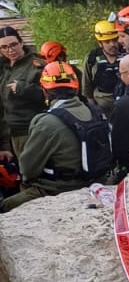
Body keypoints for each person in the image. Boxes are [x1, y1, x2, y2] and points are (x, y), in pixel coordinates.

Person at [0, 61, 112, 211]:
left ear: (45, 91)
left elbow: (27, 170)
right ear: (76, 87)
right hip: (97, 182)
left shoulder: (46, 122)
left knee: (5, 206)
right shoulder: (97, 113)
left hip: (57, 189)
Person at [0, 26, 45, 167]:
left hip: (29, 131)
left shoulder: (37, 66)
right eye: (4, 47)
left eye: (13, 45)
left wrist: (23, 88)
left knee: (30, 172)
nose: (10, 50)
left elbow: (49, 96)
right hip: (6, 134)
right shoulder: (3, 67)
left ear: (21, 43)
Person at [82, 21, 123, 116]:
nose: (112, 44)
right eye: (107, 42)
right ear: (100, 43)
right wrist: (96, 111)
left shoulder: (128, 54)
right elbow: (87, 87)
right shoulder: (92, 58)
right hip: (102, 108)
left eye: (115, 40)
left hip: (126, 106)